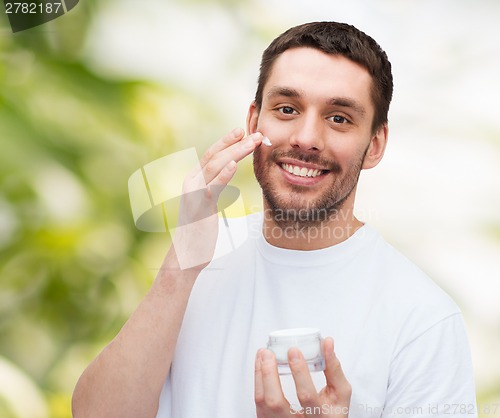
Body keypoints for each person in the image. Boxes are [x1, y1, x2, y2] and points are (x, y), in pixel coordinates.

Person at [72, 22, 477, 418]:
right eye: (287, 109)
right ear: (253, 123)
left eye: (339, 118)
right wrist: (179, 268)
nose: (306, 138)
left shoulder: (423, 319)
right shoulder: (197, 259)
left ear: (375, 144)